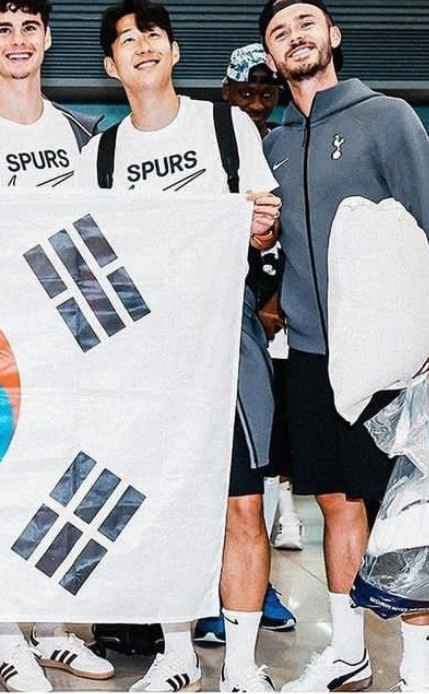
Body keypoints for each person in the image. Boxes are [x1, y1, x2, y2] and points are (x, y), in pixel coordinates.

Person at [258, 0, 429, 692]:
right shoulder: (272, 146)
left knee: (406, 508)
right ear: (270, 55)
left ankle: (419, 667)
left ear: (333, 35)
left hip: (390, 353)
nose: (294, 35)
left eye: (306, 23)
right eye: (279, 31)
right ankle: (348, 651)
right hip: (312, 356)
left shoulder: (386, 117)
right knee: (333, 504)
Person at [77, 0, 283, 693]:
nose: (142, 45)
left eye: (153, 34)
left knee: (241, 504)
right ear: (111, 65)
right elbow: (81, 251)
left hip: (225, 341)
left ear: (173, 51)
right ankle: (175, 652)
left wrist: (260, 225)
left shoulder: (224, 126)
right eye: (125, 39)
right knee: (163, 501)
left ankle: (243, 664)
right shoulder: (101, 153)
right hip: (147, 354)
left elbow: (265, 226)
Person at [0, 0, 112, 693]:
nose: (17, 40)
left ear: (47, 38)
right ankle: (8, 636)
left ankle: (54, 629)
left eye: (29, 26)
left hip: (67, 337)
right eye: (4, 29)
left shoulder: (85, 135)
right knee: (1, 482)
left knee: (61, 478)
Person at [191, 42, 298, 650]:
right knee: (208, 467)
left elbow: (297, 238)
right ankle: (205, 588)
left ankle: (257, 586)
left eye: (266, 92)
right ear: (226, 93)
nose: (257, 103)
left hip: (271, 339)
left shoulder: (285, 146)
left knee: (259, 466)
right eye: (246, 92)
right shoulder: (210, 143)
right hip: (208, 332)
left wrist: (278, 299)